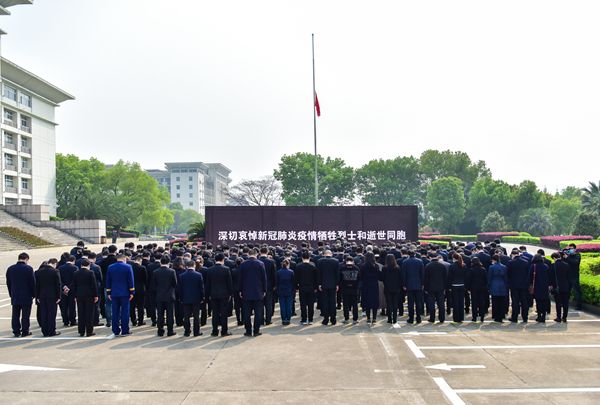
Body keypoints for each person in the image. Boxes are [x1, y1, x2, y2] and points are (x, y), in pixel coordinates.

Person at [6, 253, 36, 337]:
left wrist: (11, 294)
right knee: (25, 315)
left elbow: (8, 283)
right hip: (26, 295)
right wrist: (34, 294)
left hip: (15, 295)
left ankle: (16, 331)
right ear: (26, 259)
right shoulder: (28, 269)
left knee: (15, 314)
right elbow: (32, 283)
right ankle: (25, 331)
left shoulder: (10, 269)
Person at [239, 248, 267, 337]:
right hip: (258, 291)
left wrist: (240, 290)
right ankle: (256, 331)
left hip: (246, 292)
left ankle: (248, 331)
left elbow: (240, 279)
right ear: (256, 254)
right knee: (258, 313)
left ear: (248, 254)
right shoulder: (260, 264)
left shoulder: (243, 264)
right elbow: (264, 278)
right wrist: (264, 290)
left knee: (246, 313)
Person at [105, 253, 135, 336]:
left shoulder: (110, 267)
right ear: (124, 259)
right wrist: (132, 292)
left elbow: (108, 281)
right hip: (125, 293)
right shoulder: (128, 267)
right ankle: (125, 330)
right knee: (125, 312)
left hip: (114, 293)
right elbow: (131, 280)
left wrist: (108, 292)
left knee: (115, 312)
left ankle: (115, 330)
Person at [205, 253, 233, 336]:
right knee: (224, 313)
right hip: (224, 294)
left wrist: (208, 295)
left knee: (215, 313)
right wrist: (230, 294)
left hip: (213, 294)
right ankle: (224, 331)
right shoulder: (226, 269)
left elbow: (208, 284)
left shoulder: (209, 270)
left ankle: (214, 331)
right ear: (223, 259)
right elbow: (229, 283)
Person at [71, 259, 99, 337]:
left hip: (79, 295)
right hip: (89, 295)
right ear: (88, 265)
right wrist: (96, 295)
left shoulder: (76, 273)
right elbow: (94, 285)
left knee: (81, 313)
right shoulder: (90, 273)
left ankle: (81, 331)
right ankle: (89, 331)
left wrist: (75, 296)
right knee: (89, 314)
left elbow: (74, 285)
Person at [35, 258, 61, 337]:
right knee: (51, 314)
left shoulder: (38, 272)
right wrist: (59, 296)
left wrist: (37, 296)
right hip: (52, 296)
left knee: (44, 313)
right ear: (54, 264)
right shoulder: (55, 271)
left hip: (42, 295)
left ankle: (44, 331)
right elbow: (58, 285)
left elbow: (37, 285)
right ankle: (51, 331)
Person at [179, 260, 205, 336]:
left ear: (186, 266)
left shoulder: (182, 276)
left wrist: (181, 298)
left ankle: (187, 331)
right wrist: (202, 297)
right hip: (196, 298)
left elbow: (180, 289)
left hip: (185, 298)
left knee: (186, 316)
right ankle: (196, 332)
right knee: (196, 316)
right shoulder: (198, 275)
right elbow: (201, 288)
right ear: (194, 265)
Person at [154, 255, 178, 336]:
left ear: (160, 262)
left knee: (160, 314)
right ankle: (170, 331)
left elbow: (154, 285)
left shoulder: (155, 272)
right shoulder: (172, 271)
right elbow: (175, 284)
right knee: (170, 314)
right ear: (168, 263)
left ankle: (160, 331)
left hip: (159, 295)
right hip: (169, 295)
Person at [294, 250, 318, 325]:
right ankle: (310, 319)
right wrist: (316, 287)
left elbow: (296, 278)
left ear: (302, 258)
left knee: (303, 304)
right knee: (311, 304)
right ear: (309, 257)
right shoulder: (313, 266)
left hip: (302, 287)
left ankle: (304, 319)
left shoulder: (298, 266)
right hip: (311, 287)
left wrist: (296, 287)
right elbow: (316, 278)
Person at [317, 250, 340, 325]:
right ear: (331, 254)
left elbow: (319, 274)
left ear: (324, 254)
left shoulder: (320, 261)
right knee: (333, 302)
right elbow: (337, 274)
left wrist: (319, 284)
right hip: (333, 284)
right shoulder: (336, 261)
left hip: (324, 284)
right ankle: (333, 319)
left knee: (325, 302)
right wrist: (337, 284)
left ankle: (326, 319)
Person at [507, 250, 530, 323]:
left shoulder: (510, 262)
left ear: (513, 255)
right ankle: (525, 317)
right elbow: (528, 274)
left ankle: (514, 317)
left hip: (514, 285)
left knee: (515, 302)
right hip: (524, 285)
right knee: (524, 301)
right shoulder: (526, 262)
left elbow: (508, 274)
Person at [424, 254, 447, 323]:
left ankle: (432, 318)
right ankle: (442, 318)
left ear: (430, 257)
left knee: (431, 304)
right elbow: (445, 278)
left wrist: (426, 288)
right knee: (441, 304)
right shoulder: (442, 266)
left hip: (431, 287)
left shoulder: (428, 266)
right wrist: (445, 287)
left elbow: (426, 279)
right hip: (440, 287)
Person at [402, 251, 424, 324]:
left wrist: (404, 285)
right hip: (418, 284)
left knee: (410, 303)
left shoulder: (405, 262)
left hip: (409, 285)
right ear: (415, 254)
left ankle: (411, 318)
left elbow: (404, 275)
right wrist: (422, 284)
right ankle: (418, 318)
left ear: (408, 254)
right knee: (418, 302)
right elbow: (422, 274)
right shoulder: (420, 261)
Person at [360, 252, 381, 324]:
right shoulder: (376, 266)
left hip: (366, 285)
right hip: (374, 285)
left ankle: (368, 318)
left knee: (367, 302)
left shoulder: (363, 266)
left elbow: (361, 277)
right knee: (374, 302)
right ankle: (374, 318)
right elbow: (379, 276)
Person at [258, 247, 277, 326]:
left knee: (260, 304)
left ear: (260, 252)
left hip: (259, 286)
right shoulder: (271, 262)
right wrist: (275, 285)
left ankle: (261, 320)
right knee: (268, 304)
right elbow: (274, 275)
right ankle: (268, 320)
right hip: (269, 286)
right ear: (267, 252)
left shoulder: (257, 262)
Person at [529, 254, 550, 323]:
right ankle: (543, 316)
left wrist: (529, 285)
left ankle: (539, 316)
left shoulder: (533, 266)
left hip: (537, 286)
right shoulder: (546, 266)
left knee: (538, 302)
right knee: (544, 302)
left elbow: (530, 277)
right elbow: (549, 277)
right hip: (544, 287)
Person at [339, 255, 360, 324]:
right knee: (355, 304)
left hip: (345, 289)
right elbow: (359, 279)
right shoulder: (356, 268)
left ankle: (346, 318)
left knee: (345, 305)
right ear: (353, 261)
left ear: (345, 261)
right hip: (354, 289)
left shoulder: (342, 268)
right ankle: (355, 319)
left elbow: (340, 279)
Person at [382, 254, 402, 324]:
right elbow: (400, 278)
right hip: (396, 288)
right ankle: (395, 319)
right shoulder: (397, 268)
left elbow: (383, 278)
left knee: (389, 304)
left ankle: (389, 319)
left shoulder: (384, 268)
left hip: (387, 288)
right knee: (395, 303)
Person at [58, 255, 78, 327]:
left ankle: (65, 321)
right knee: (72, 306)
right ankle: (72, 320)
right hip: (72, 290)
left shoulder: (60, 268)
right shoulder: (75, 268)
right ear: (73, 261)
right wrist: (69, 287)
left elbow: (59, 279)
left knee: (64, 306)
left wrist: (64, 287)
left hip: (63, 290)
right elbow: (75, 280)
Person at [488, 255, 508, 323]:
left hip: (494, 285)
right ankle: (501, 316)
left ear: (494, 260)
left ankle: (496, 316)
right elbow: (506, 278)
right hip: (502, 285)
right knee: (502, 302)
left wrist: (488, 286)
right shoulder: (504, 267)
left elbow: (489, 278)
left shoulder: (491, 267)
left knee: (495, 302)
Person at [448, 253, 467, 323]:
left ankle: (456, 318)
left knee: (455, 302)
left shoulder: (452, 266)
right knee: (461, 302)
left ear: (454, 258)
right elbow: (466, 276)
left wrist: (449, 286)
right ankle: (461, 317)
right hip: (462, 285)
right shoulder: (463, 265)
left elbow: (450, 277)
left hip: (454, 285)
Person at [130, 255, 148, 326]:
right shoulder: (143, 268)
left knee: (132, 306)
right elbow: (145, 279)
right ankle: (140, 321)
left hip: (132, 288)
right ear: (140, 260)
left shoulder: (130, 267)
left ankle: (133, 321)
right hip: (141, 288)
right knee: (141, 306)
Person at [468, 257, 488, 323]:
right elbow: (486, 279)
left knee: (474, 303)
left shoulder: (471, 270)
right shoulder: (483, 269)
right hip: (482, 288)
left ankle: (474, 317)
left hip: (474, 288)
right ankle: (482, 317)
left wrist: (468, 288)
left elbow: (469, 280)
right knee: (482, 302)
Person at [276, 259, 294, 325]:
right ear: (288, 264)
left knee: (282, 305)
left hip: (281, 290)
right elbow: (293, 282)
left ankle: (283, 319)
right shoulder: (291, 272)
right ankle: (288, 319)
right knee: (289, 306)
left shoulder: (278, 272)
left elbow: (277, 282)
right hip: (289, 290)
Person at [564, 243, 582, 310]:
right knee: (567, 291)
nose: (570, 250)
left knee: (577, 291)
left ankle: (579, 306)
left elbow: (575, 263)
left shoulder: (577, 255)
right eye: (569, 249)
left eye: (571, 249)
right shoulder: (568, 255)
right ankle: (566, 304)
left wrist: (567, 257)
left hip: (575, 276)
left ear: (574, 249)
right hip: (568, 276)